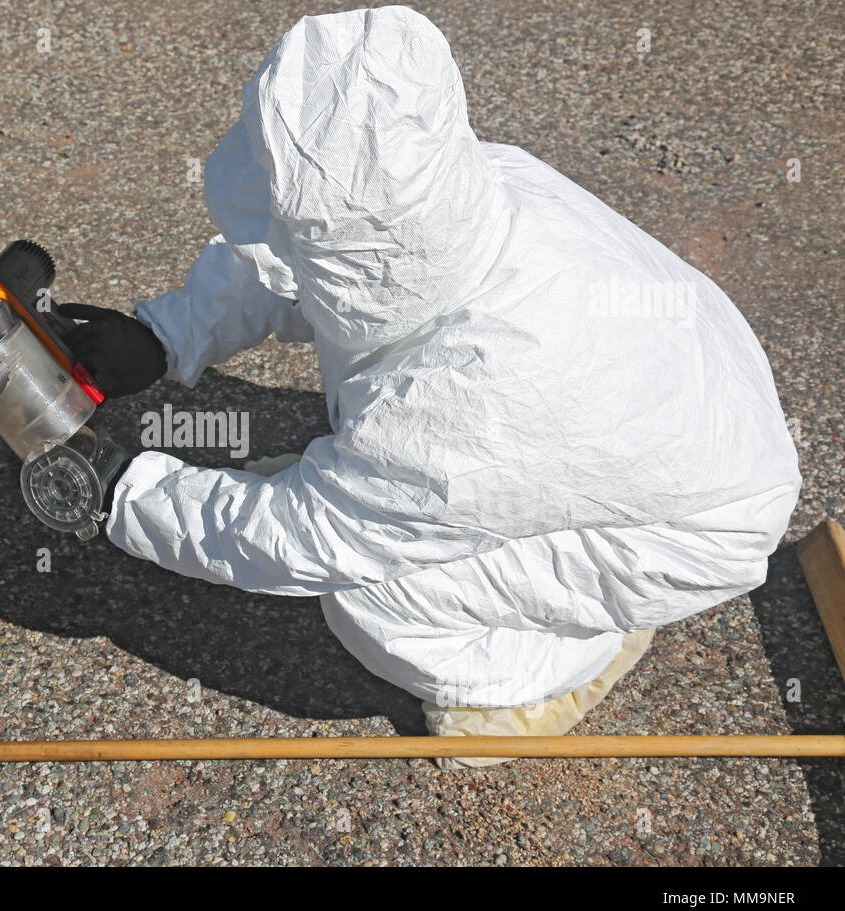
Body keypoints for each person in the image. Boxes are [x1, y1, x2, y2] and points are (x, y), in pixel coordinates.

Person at [59, 7, 801, 768]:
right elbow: (304, 250)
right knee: (390, 488)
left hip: (698, 524)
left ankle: (539, 682)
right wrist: (167, 333)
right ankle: (419, 509)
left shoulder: (480, 396)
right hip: (679, 413)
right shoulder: (459, 184)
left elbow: (307, 541)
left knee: (373, 594)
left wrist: (124, 495)